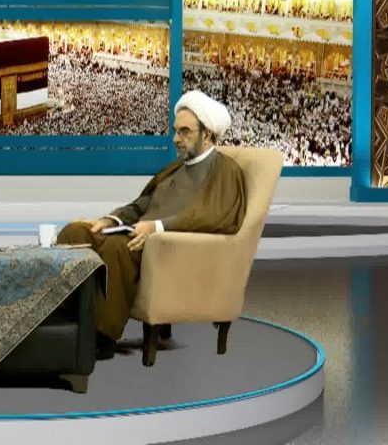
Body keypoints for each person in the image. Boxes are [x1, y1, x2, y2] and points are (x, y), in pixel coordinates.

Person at [56, 90, 247, 359]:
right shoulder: (175, 169)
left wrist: (157, 227)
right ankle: (68, 321)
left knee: (116, 248)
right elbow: (141, 205)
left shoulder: (225, 170)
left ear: (207, 135)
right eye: (175, 131)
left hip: (170, 246)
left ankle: (102, 338)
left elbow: (215, 216)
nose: (176, 139)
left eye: (184, 132)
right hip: (138, 232)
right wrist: (108, 220)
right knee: (75, 232)